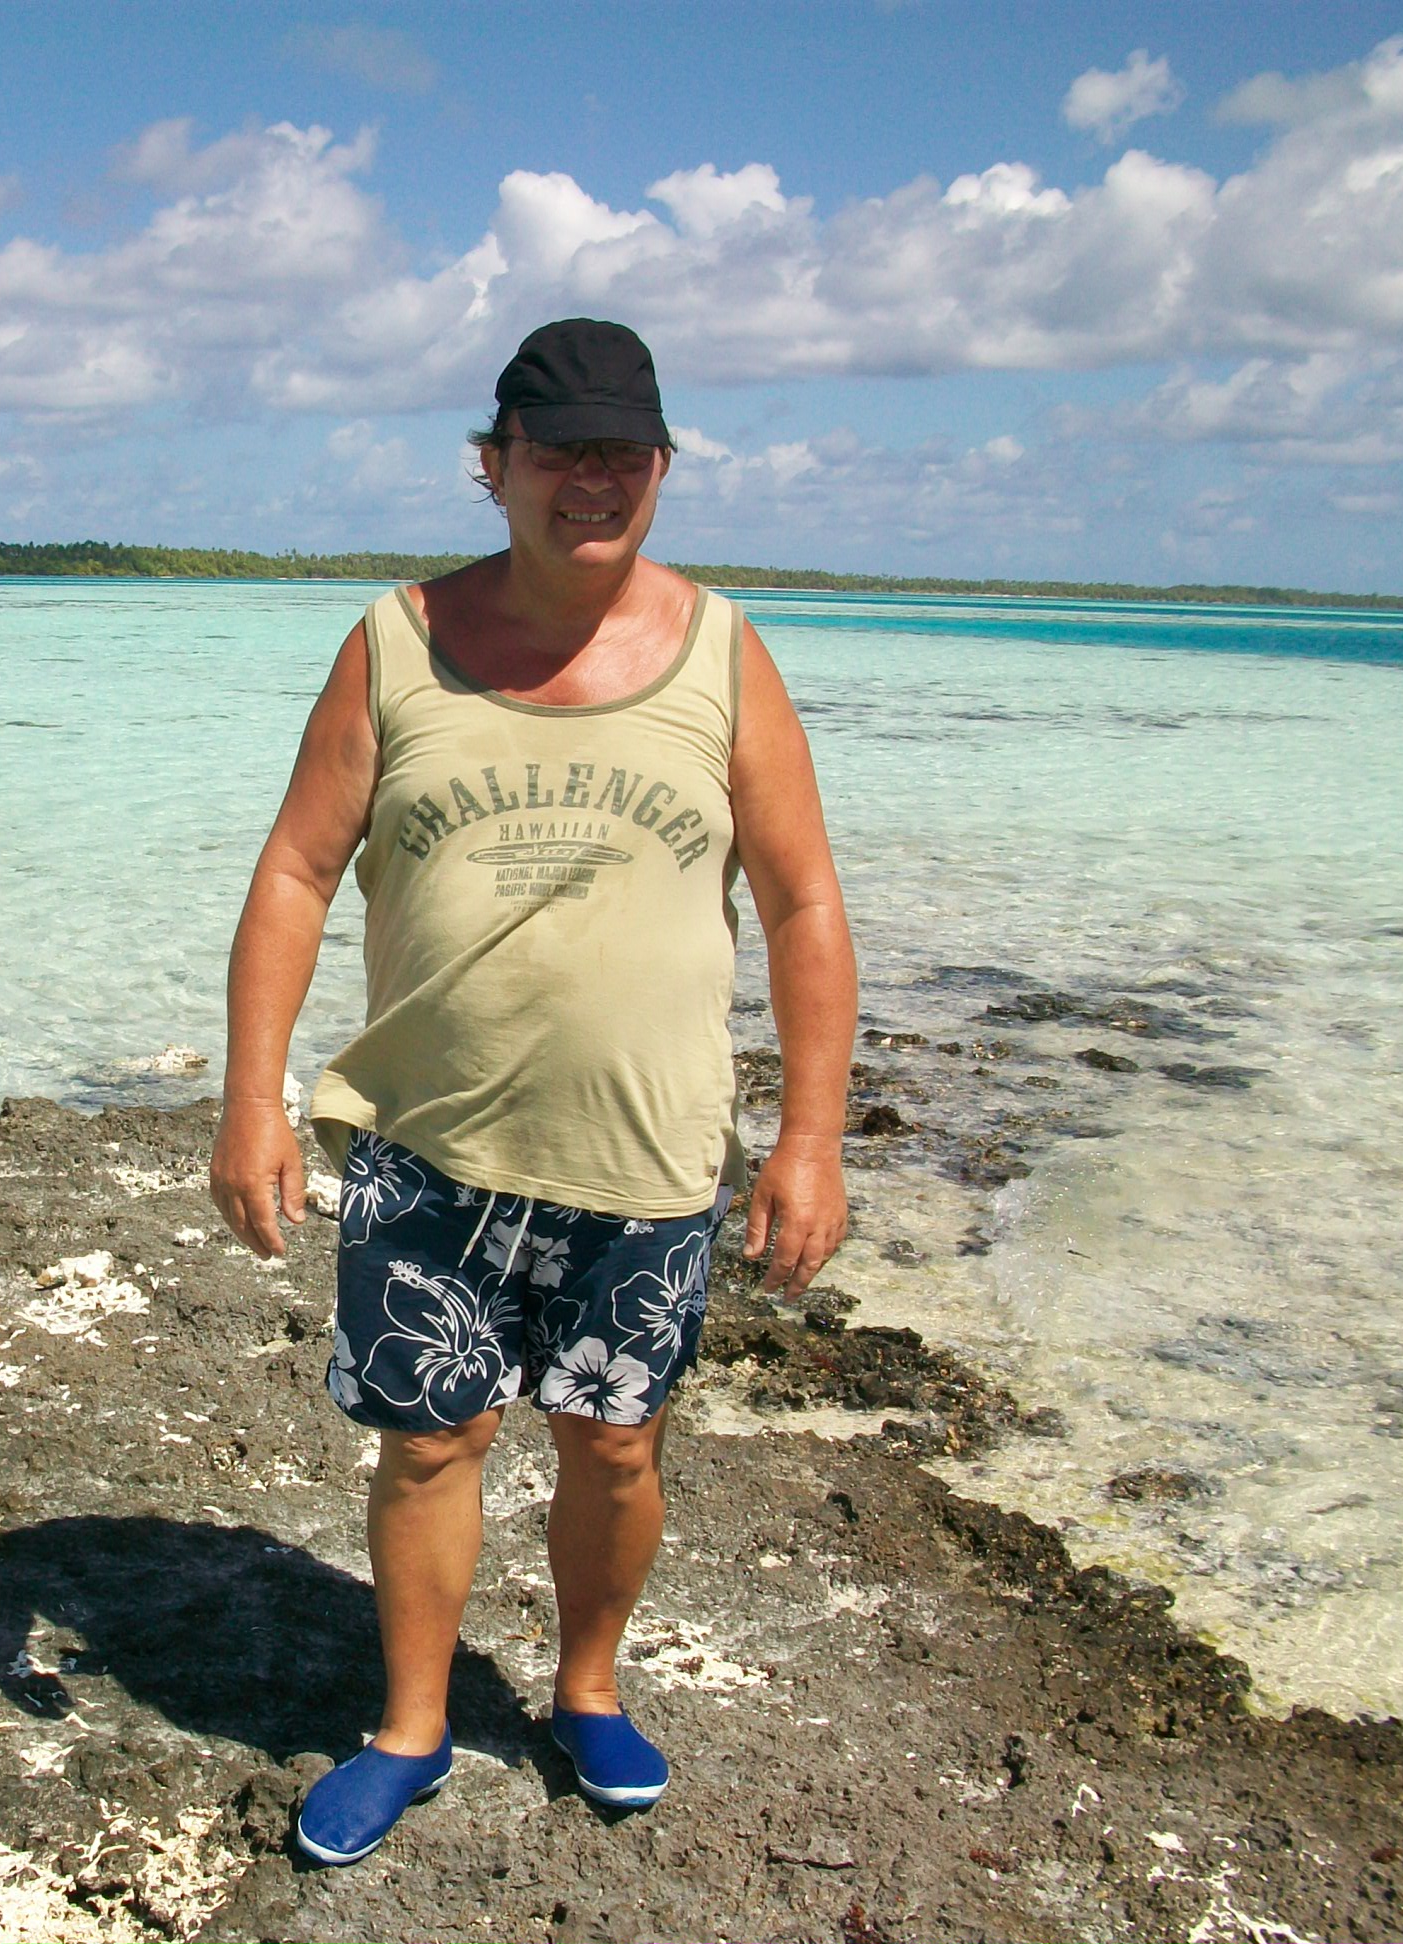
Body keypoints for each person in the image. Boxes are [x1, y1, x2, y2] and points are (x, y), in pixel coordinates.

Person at [208, 318, 856, 1866]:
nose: (593, 482)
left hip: (646, 1156)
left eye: (624, 454)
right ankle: (410, 1725)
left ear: (664, 467)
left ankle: (587, 1690)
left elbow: (804, 901)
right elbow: (296, 872)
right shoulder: (395, 642)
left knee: (614, 1446)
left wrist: (813, 1140)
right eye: (560, 454)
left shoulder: (724, 652)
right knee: (431, 1444)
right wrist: (252, 1099)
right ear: (493, 467)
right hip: (427, 1144)